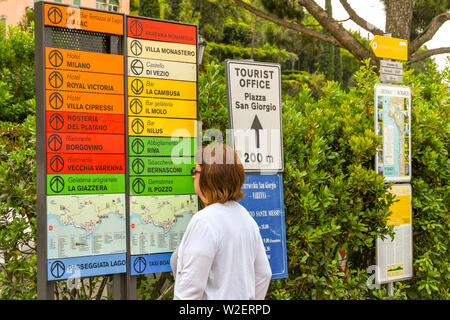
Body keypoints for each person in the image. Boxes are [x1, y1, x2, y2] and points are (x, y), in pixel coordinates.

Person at [170, 143, 272, 300]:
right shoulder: (246, 218)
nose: (193, 176)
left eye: (195, 171)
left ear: (207, 177)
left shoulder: (204, 221)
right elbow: (264, 274)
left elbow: (190, 291)